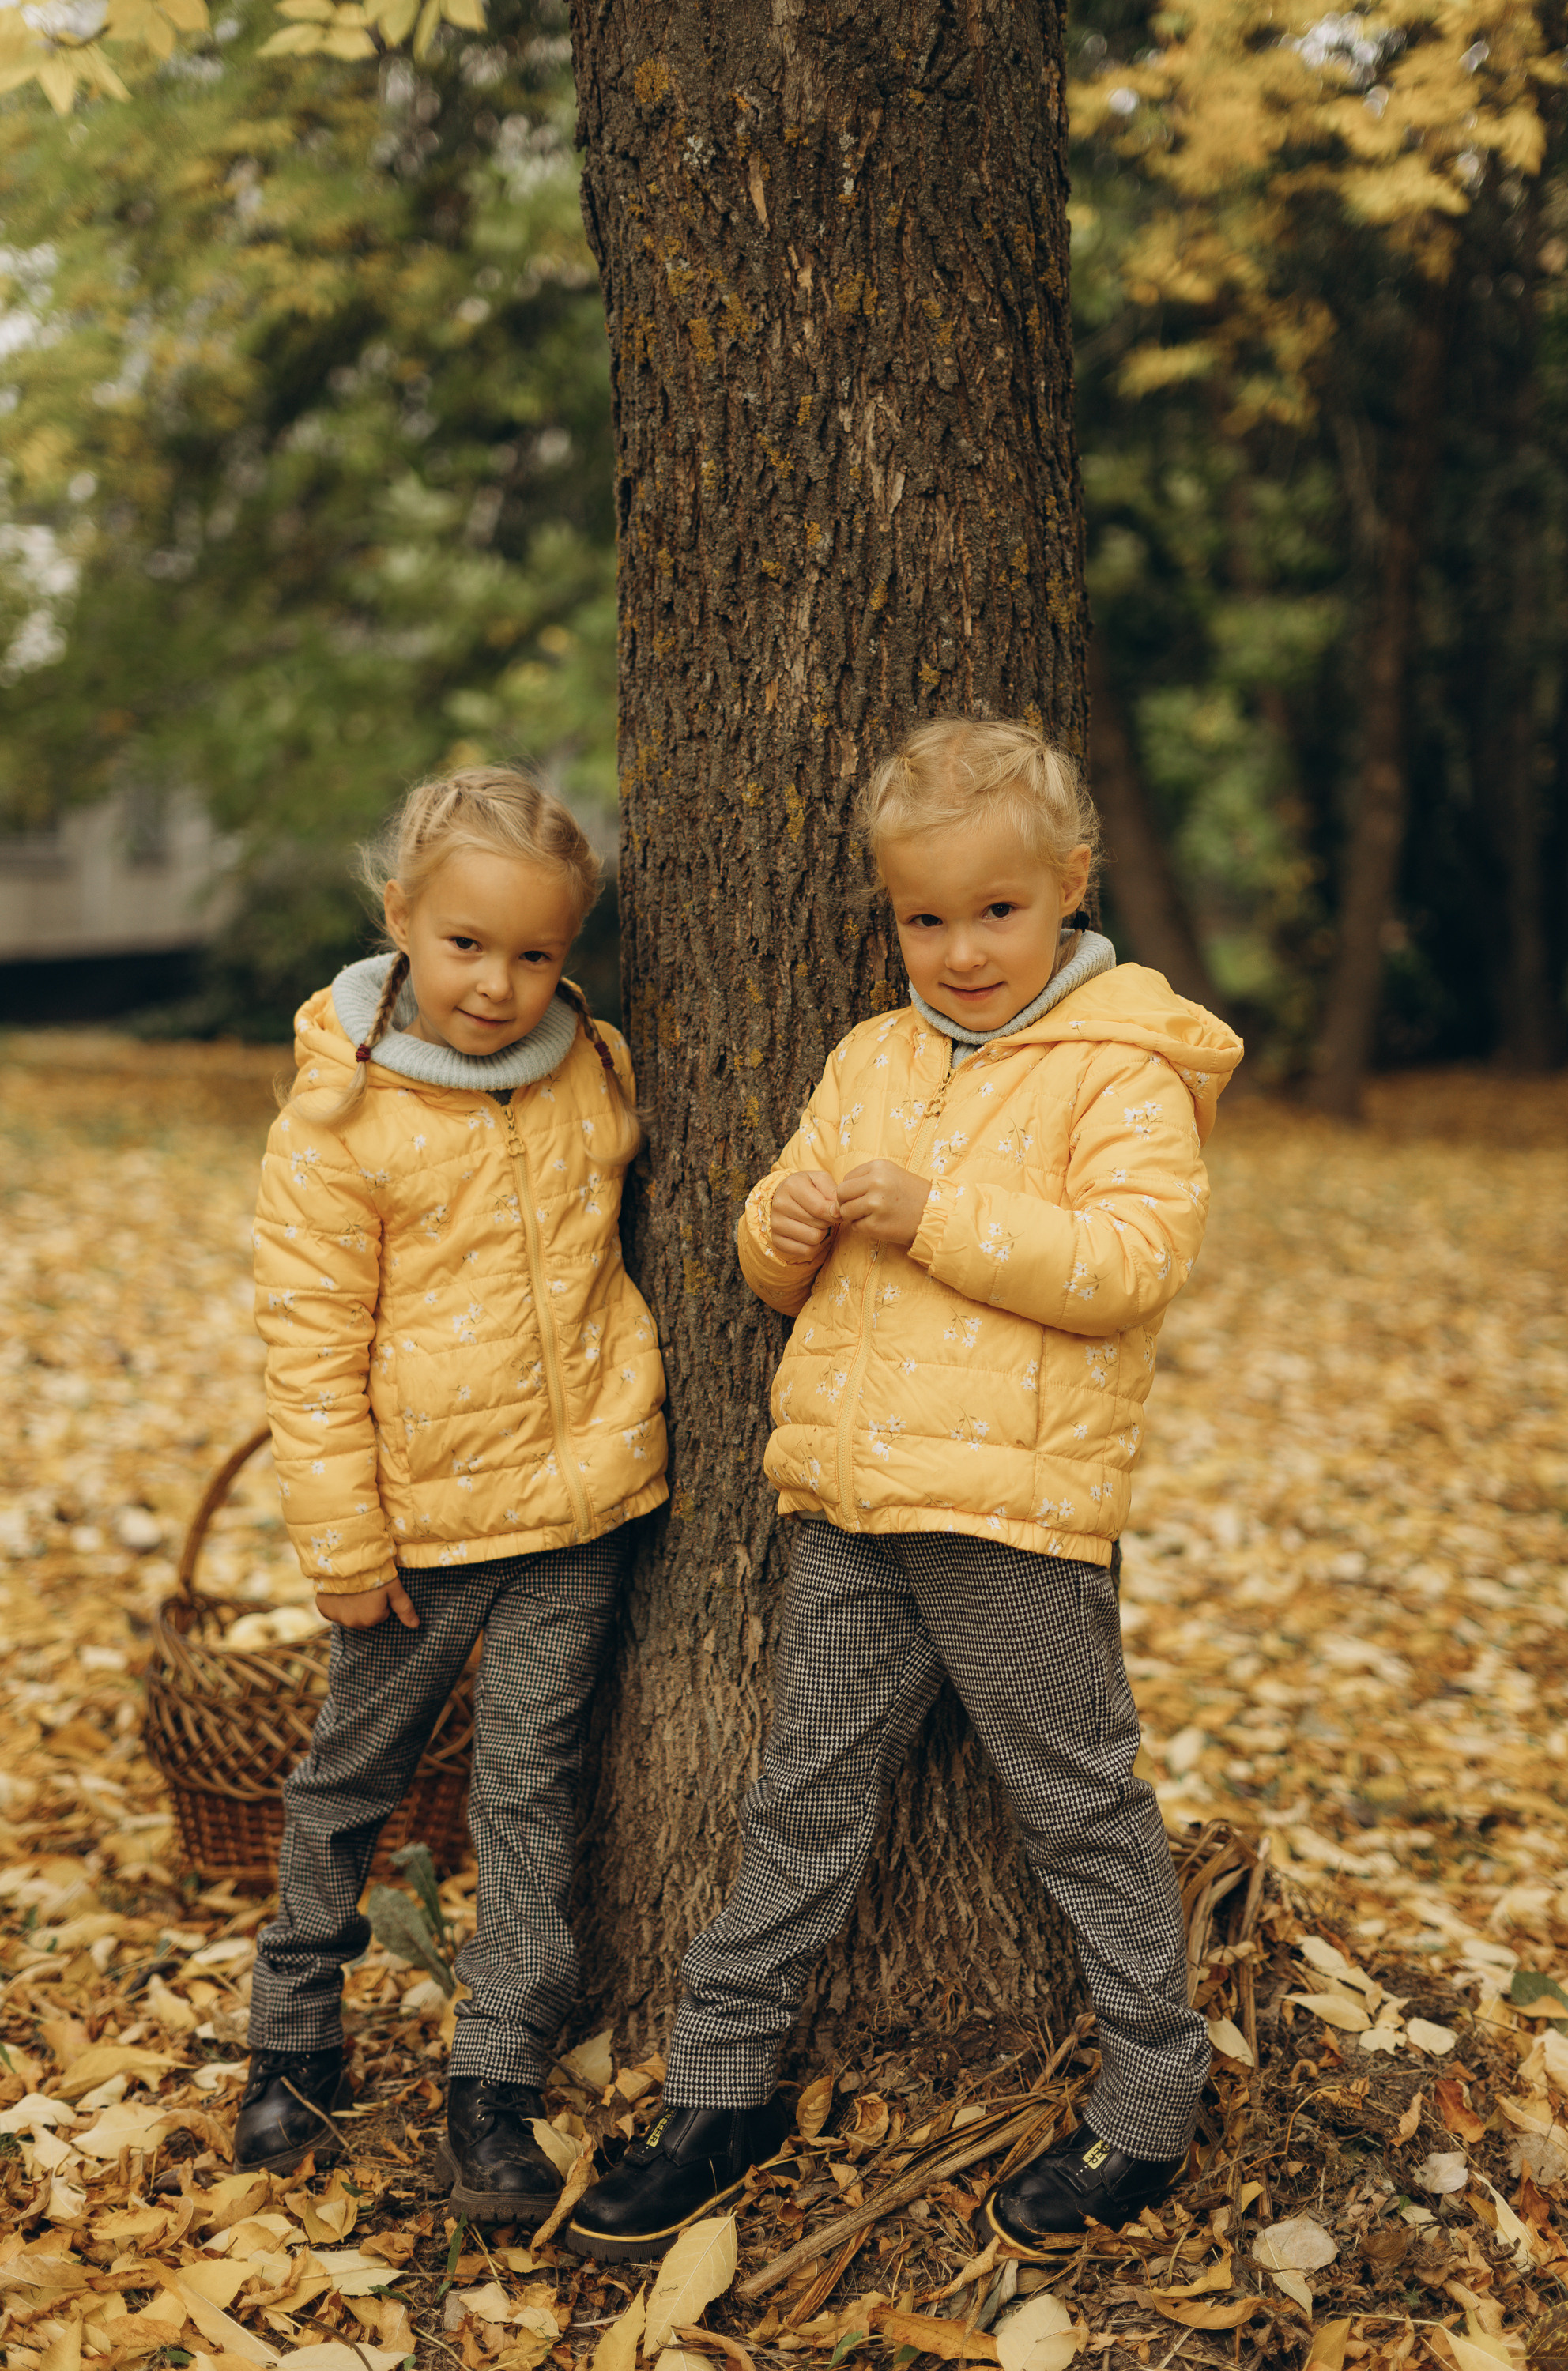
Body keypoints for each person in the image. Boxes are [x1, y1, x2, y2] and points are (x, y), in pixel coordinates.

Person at [566, 716, 1242, 2264]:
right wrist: (785, 1224)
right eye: (921, 919)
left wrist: (934, 1212)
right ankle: (726, 2089)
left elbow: (1126, 1268)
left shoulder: (1123, 1067)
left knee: (1076, 1801)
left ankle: (1149, 2098)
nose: (957, 950)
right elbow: (771, 1270)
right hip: (858, 1508)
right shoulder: (871, 1056)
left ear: (1070, 885)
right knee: (799, 1795)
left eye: (993, 912)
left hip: (1009, 1516)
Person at [233, 766, 667, 2225]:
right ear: (400, 918)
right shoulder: (338, 1122)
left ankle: (495, 2082)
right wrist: (345, 1544)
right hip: (415, 1532)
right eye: (467, 945)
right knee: (349, 1779)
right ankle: (291, 2040)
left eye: (536, 952)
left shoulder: (590, 1067)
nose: (499, 984)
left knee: (530, 1793)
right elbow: (310, 1347)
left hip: (575, 1517)